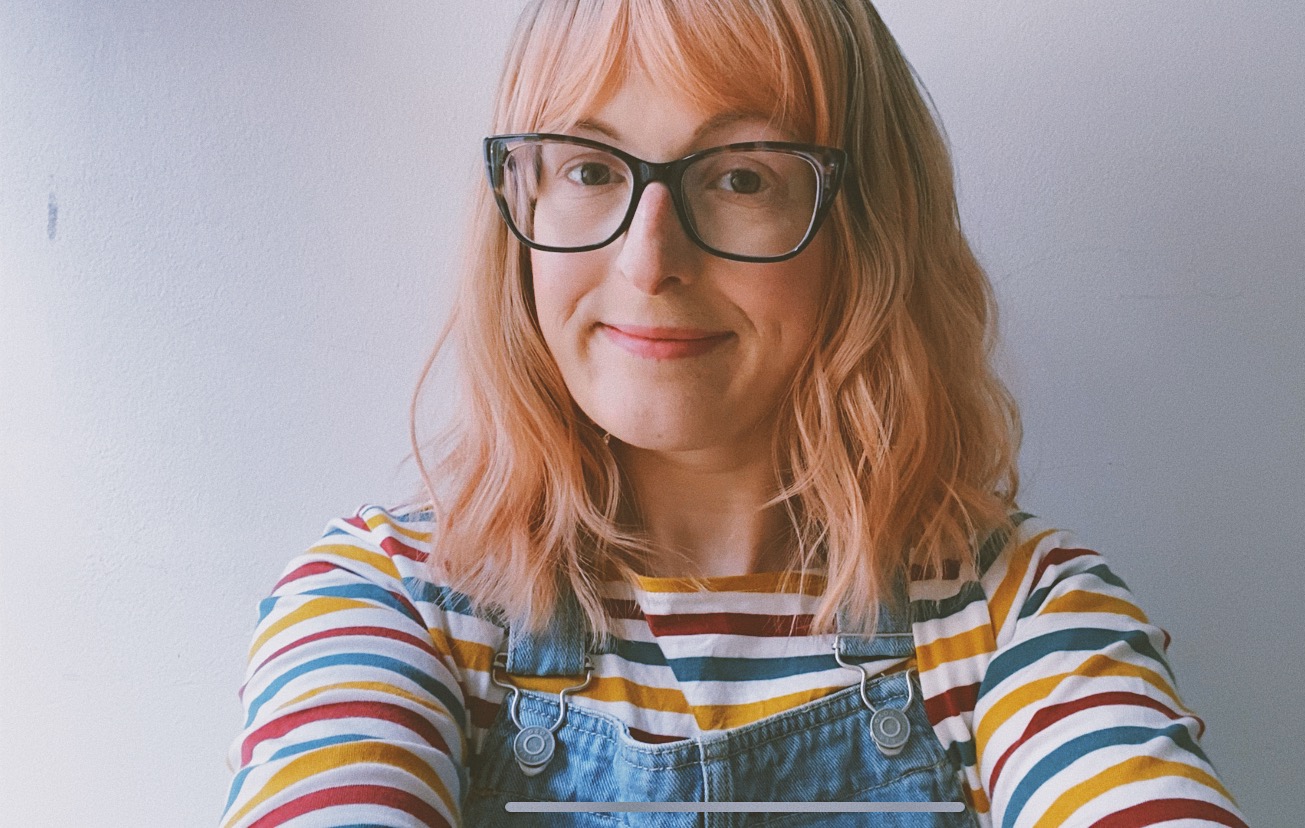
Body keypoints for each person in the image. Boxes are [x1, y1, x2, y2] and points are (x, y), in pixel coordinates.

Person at [221, 1, 1249, 825]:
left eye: (741, 176)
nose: (647, 261)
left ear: (864, 231)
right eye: (589, 168)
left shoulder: (1019, 614)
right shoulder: (391, 603)